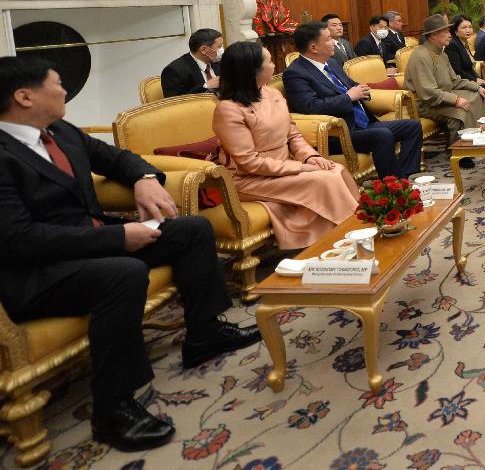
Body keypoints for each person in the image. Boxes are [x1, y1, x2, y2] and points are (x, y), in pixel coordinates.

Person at [0, 56, 259, 452]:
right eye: (57, 84)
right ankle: (113, 408)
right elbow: (21, 240)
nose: (65, 90)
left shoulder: (58, 131)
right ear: (24, 97)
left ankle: (205, 334)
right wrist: (118, 237)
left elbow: (118, 158)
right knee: (123, 273)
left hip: (93, 243)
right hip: (38, 272)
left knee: (191, 230)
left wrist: (144, 178)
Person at [213, 41, 359, 249]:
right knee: (323, 180)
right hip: (250, 179)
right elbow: (249, 162)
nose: (274, 65)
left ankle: (347, 232)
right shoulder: (228, 109)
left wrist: (311, 157)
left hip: (283, 168)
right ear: (252, 71)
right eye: (269, 62)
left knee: (336, 170)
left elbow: (292, 133)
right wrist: (301, 167)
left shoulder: (271, 93)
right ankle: (345, 238)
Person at [282, 23, 425, 179]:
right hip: (339, 132)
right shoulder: (295, 73)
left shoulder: (331, 63)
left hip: (362, 123)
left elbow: (351, 85)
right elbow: (311, 106)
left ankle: (405, 177)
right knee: (382, 135)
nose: (334, 42)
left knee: (413, 126)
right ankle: (393, 185)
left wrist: (362, 90)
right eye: (328, 39)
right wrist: (348, 97)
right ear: (314, 47)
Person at [405, 14, 485, 167]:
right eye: (446, 32)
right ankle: (459, 154)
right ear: (434, 35)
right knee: (461, 112)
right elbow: (428, 92)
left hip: (443, 97)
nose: (450, 35)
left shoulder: (441, 53)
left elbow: (454, 80)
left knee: (476, 96)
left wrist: (476, 86)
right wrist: (456, 100)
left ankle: (473, 143)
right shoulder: (420, 55)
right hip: (426, 104)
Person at [445, 14, 485, 101]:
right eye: (464, 27)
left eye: (470, 27)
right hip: (461, 82)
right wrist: (474, 80)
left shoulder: (463, 43)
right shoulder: (452, 45)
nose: (468, 30)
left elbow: (469, 67)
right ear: (455, 30)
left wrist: (478, 78)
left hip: (469, 79)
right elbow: (457, 70)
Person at [160, 27, 223, 97]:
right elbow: (175, 101)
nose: (222, 50)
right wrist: (206, 86)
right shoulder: (174, 71)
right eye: (219, 46)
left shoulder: (218, 63)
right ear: (203, 50)